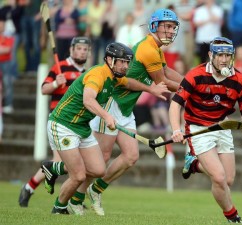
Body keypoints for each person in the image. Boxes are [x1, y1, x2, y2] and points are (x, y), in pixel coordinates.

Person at [41, 42, 169, 214]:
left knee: (98, 170)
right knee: (78, 175)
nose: (125, 66)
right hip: (63, 125)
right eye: (121, 62)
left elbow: (129, 83)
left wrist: (150, 89)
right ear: (109, 59)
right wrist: (107, 116)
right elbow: (88, 99)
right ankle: (59, 207)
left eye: (127, 62)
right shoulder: (97, 75)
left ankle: (53, 168)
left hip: (82, 127)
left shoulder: (115, 76)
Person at [85, 8, 183, 216]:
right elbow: (162, 82)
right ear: (154, 26)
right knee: (101, 159)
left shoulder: (155, 48)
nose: (171, 31)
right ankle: (72, 199)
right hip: (113, 102)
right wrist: (192, 90)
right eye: (167, 27)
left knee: (130, 157)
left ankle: (95, 190)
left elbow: (166, 71)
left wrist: (193, 82)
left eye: (173, 27)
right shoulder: (148, 49)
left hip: (126, 108)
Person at [169, 37, 242, 223]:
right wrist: (176, 129)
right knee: (218, 177)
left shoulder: (239, 79)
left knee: (228, 180)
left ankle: (193, 164)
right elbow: (176, 104)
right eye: (220, 55)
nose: (224, 59)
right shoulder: (195, 75)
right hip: (198, 128)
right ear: (211, 55)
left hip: (222, 126)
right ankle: (233, 216)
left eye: (228, 55)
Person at [18, 36, 91, 207]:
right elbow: (44, 89)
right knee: (61, 162)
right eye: (79, 48)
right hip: (59, 122)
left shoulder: (86, 73)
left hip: (78, 123)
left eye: (85, 49)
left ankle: (68, 198)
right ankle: (30, 188)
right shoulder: (60, 67)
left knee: (78, 164)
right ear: (71, 50)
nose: (82, 51)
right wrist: (56, 84)